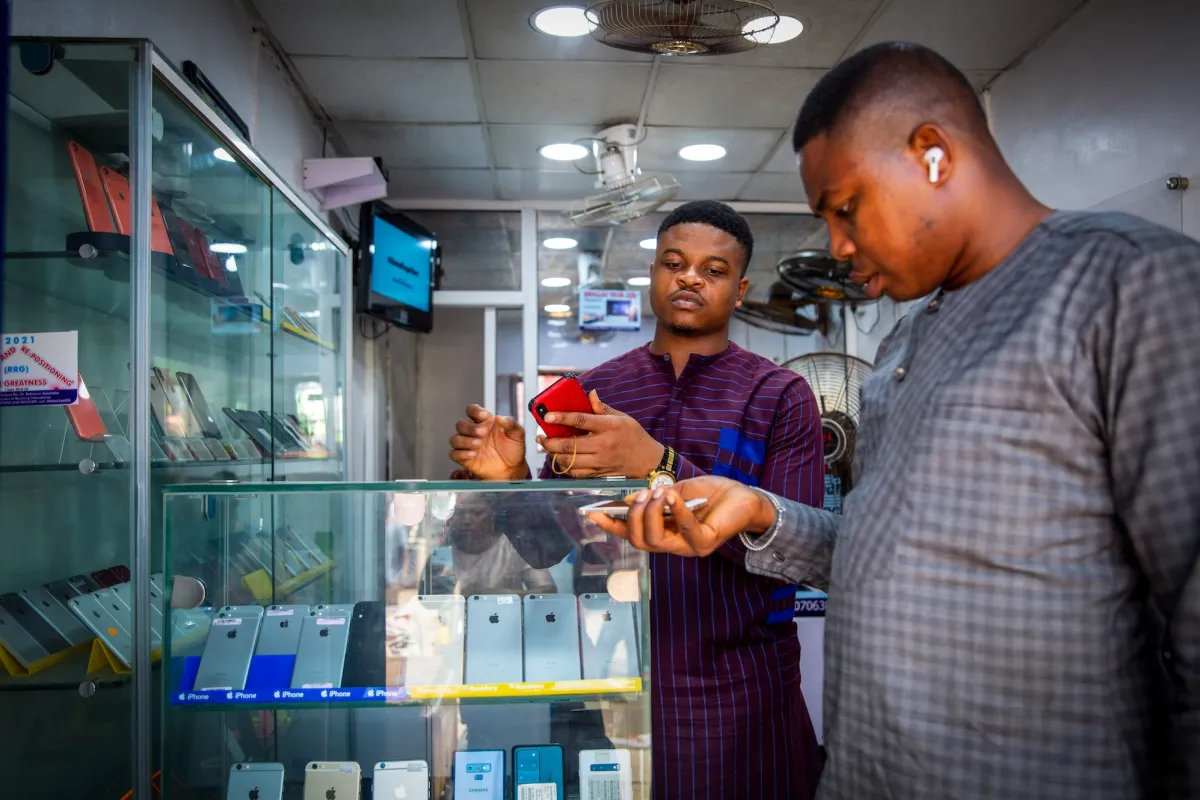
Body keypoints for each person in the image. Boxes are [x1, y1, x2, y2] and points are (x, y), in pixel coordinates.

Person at [589, 42, 1200, 800]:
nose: (840, 247)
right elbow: (883, 551)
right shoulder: (908, 341)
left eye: (845, 208)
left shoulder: (1127, 287)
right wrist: (763, 512)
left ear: (933, 156)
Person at [449, 200, 825, 799]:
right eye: (674, 263)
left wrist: (657, 463)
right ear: (652, 274)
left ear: (740, 288)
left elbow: (797, 555)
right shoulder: (598, 391)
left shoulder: (779, 396)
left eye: (713, 269)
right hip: (615, 677)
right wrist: (511, 479)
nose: (690, 278)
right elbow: (546, 548)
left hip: (744, 685)